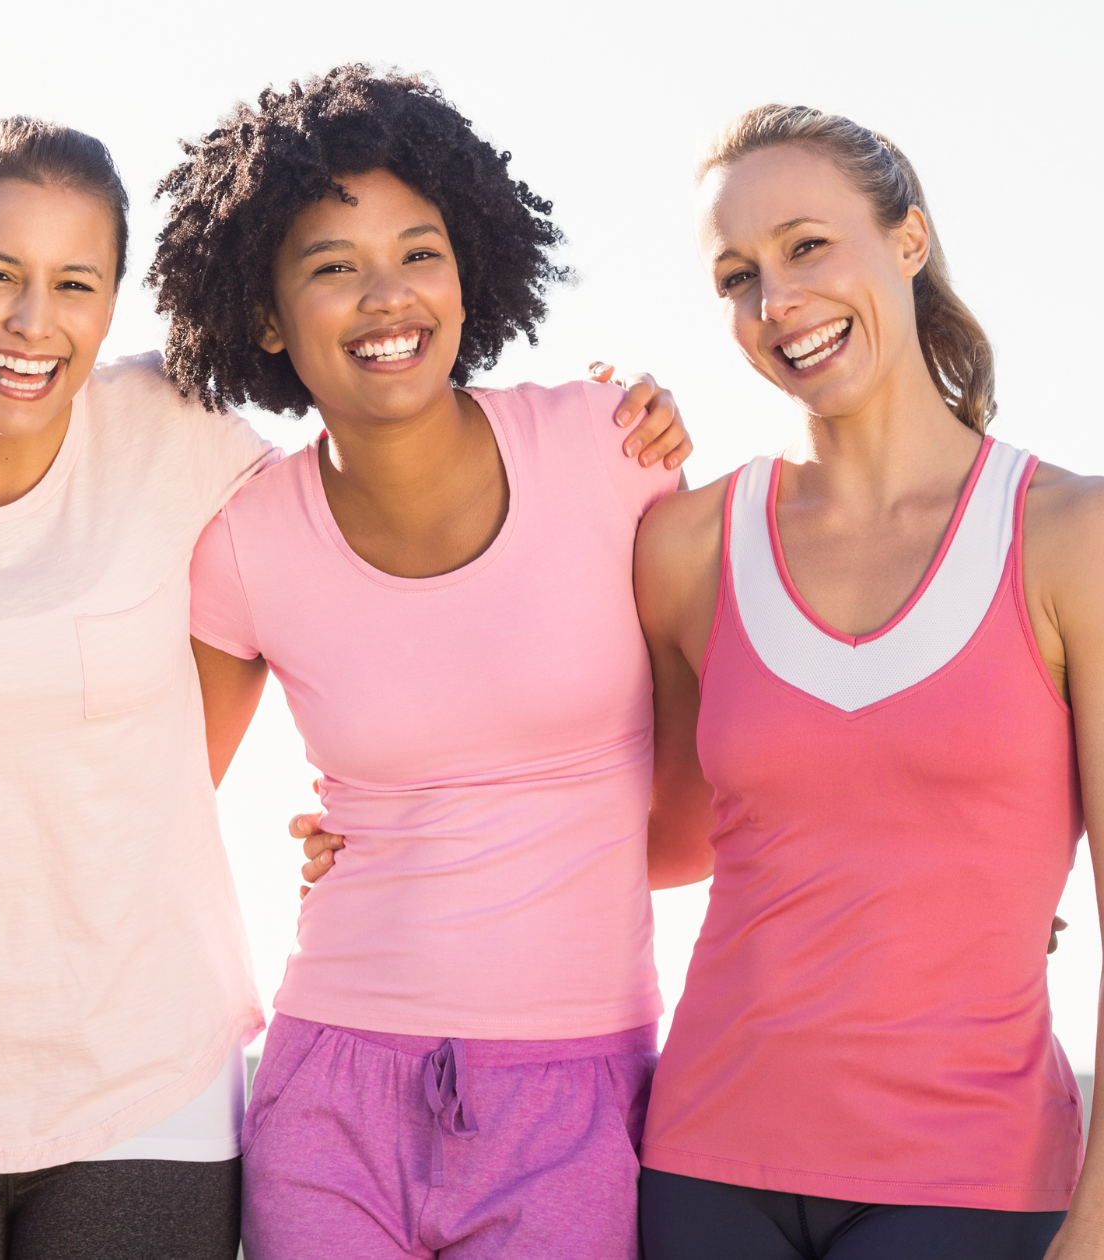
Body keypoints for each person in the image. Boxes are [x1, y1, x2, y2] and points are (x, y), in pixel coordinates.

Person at [0, 114, 692, 1260]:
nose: (31, 321)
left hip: (246, 1081)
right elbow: (147, 778)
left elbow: (687, 800)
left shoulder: (597, 450)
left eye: (74, 282)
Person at [147, 65, 712, 1260]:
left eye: (417, 252)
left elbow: (707, 797)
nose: (384, 296)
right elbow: (147, 811)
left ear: (468, 274)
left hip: (573, 1081)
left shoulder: (612, 455)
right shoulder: (242, 542)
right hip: (329, 1081)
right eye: (330, 265)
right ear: (262, 315)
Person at [632, 104, 1103, 1260]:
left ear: (905, 240)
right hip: (702, 1165)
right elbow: (659, 844)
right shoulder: (685, 545)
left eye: (804, 246)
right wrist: (383, 828)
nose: (772, 301)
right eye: (734, 275)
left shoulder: (1066, 535)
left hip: (972, 1180)